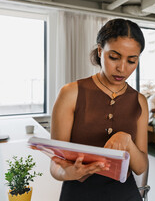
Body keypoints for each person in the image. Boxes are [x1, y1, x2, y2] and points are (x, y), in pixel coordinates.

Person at [50, 18, 148, 201]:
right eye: (114, 57)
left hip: (125, 194)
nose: (122, 68)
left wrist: (127, 141)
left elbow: (141, 167)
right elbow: (55, 165)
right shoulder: (70, 93)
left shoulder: (139, 101)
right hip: (79, 194)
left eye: (132, 61)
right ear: (100, 50)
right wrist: (68, 172)